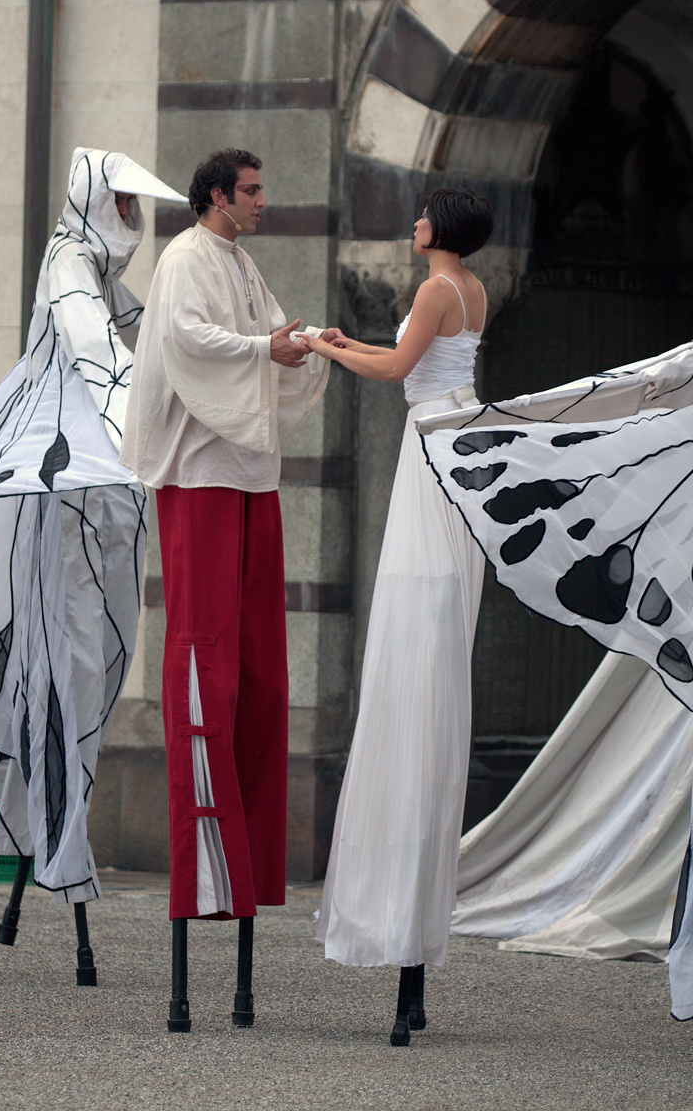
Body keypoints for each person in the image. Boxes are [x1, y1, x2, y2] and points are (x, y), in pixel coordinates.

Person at [0, 147, 186, 903]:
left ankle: (56, 833)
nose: (132, 220)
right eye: (122, 206)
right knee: (60, 660)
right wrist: (145, 434)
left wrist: (238, 360)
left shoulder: (100, 273)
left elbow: (149, 339)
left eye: (135, 208)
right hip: (60, 479)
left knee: (88, 662)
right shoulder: (67, 268)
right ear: (94, 201)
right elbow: (99, 354)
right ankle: (58, 841)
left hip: (98, 483)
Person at [120, 148, 339, 948]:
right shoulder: (183, 259)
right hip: (202, 475)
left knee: (257, 670)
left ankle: (242, 864)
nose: (261, 201)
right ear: (215, 195)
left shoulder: (239, 262)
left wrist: (313, 339)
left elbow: (266, 331)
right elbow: (187, 339)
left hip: (250, 478)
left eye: (261, 187)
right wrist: (266, 351)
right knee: (206, 658)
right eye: (250, 190)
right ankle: (204, 864)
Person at [304, 187, 494, 1044]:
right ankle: (412, 956)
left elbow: (395, 373)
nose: (412, 225)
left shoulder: (434, 287)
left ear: (440, 230)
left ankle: (399, 935)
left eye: (422, 217)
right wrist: (353, 343)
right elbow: (419, 362)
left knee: (414, 643)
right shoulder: (472, 288)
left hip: (434, 453)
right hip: (458, 444)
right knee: (432, 640)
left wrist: (329, 349)